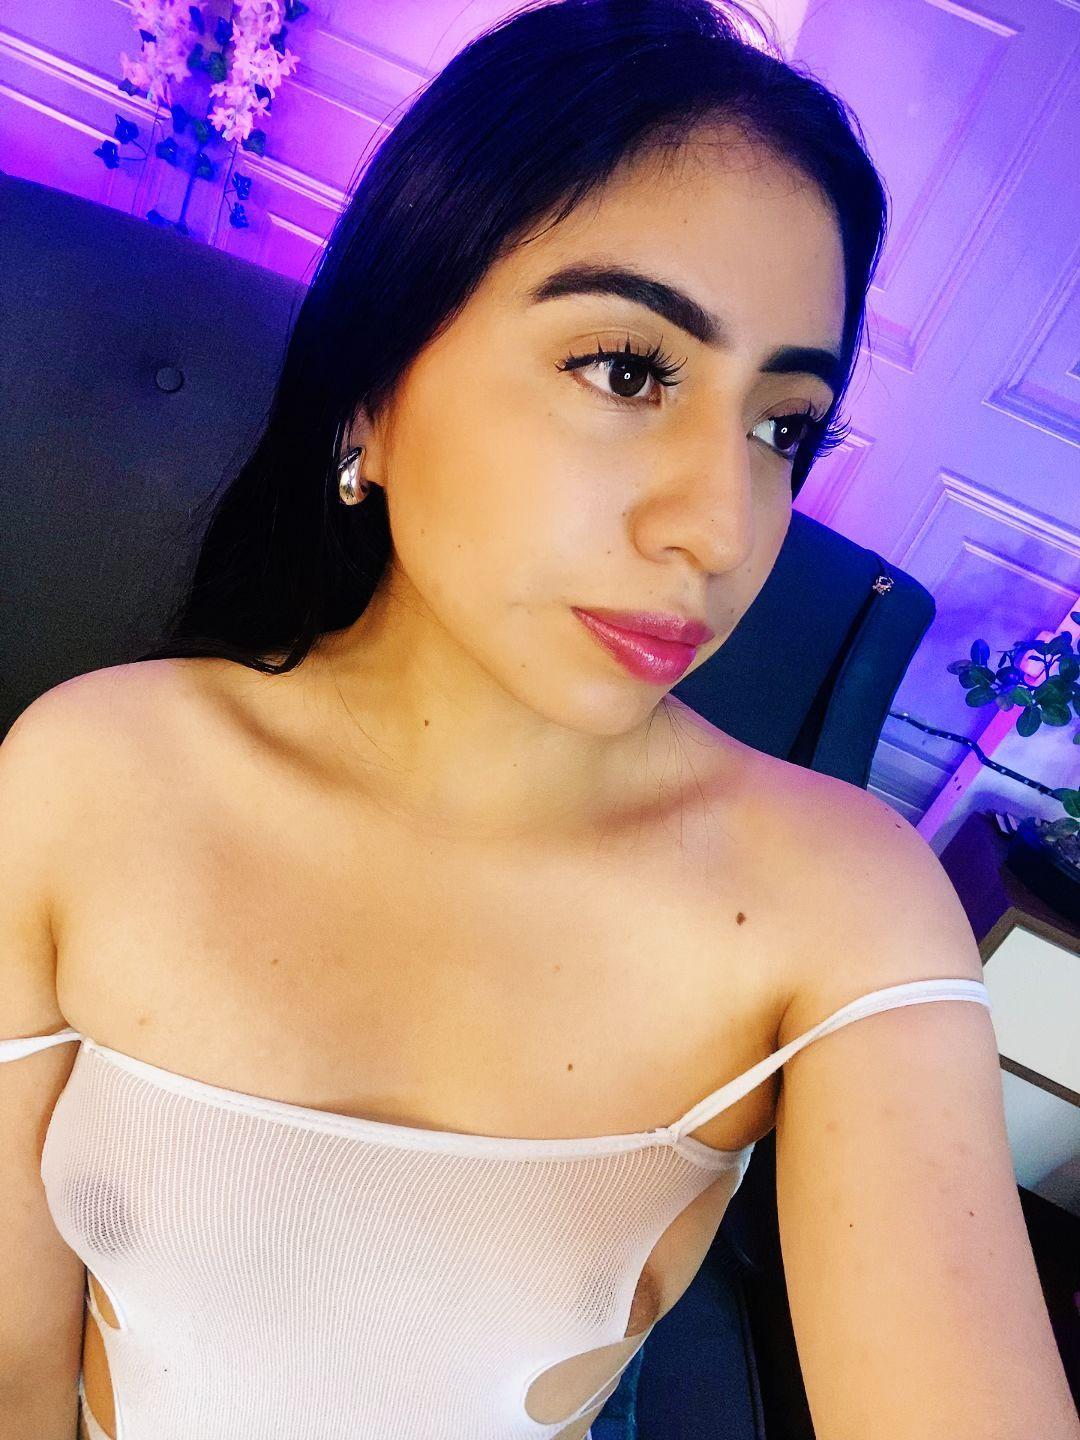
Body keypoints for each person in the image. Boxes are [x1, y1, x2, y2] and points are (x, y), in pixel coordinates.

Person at [3, 1, 1076, 1438]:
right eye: (628, 371)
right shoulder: (86, 779)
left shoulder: (844, 910)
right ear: (372, 396)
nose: (721, 529)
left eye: (784, 429)